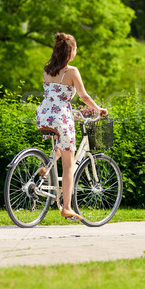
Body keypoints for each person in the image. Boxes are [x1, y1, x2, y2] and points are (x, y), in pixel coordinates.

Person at [36, 33, 107, 221]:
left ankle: (46, 166)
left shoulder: (47, 70)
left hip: (44, 115)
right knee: (69, 165)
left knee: (62, 145)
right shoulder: (72, 71)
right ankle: (66, 207)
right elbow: (83, 96)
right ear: (71, 52)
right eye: (75, 49)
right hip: (61, 117)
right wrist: (98, 109)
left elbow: (54, 97)